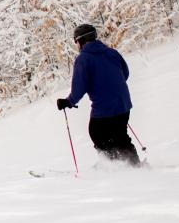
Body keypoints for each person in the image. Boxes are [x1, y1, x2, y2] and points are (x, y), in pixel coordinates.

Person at [57, 23, 141, 166]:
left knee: (97, 132)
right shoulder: (112, 52)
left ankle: (112, 165)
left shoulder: (84, 59)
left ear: (80, 41)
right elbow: (125, 73)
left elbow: (79, 87)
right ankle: (133, 164)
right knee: (120, 135)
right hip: (123, 103)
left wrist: (68, 102)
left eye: (76, 41)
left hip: (104, 108)